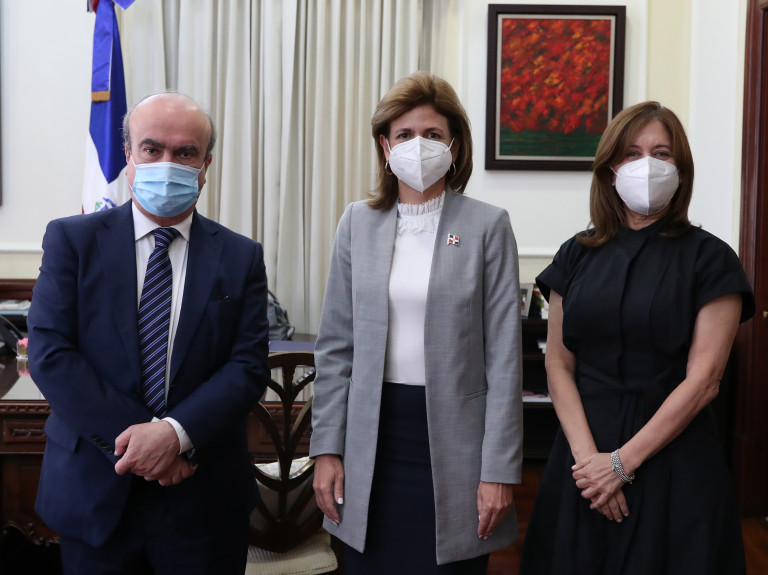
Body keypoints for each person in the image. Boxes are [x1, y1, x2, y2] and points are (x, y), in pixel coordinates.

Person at [27, 92, 270, 575]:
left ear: (206, 166)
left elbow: (247, 366)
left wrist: (176, 435)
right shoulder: (72, 240)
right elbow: (51, 355)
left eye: (185, 152)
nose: (167, 163)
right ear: (129, 155)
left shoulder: (241, 256)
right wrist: (151, 445)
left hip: (202, 501)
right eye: (152, 148)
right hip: (96, 494)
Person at [520, 101, 755, 574]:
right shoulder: (575, 254)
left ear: (681, 170)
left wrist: (621, 465)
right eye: (631, 153)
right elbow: (559, 363)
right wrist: (591, 465)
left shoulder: (712, 259)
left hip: (672, 454)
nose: (646, 165)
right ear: (610, 169)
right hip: (582, 454)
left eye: (661, 153)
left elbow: (705, 381)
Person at [309, 71, 524, 574]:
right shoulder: (356, 222)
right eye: (404, 135)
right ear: (385, 146)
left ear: (454, 145)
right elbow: (335, 347)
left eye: (432, 134)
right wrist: (326, 449)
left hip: (457, 446)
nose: (417, 145)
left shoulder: (487, 225)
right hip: (370, 442)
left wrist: (498, 469)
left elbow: (504, 359)